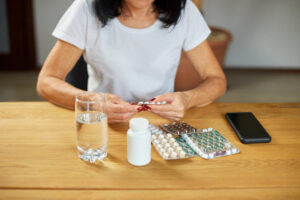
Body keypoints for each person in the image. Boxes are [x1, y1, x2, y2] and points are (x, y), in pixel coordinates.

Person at [37, 0, 226, 123]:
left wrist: (187, 99)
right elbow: (47, 81)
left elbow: (216, 79)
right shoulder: (86, 9)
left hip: (160, 123)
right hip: (103, 123)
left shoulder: (184, 10)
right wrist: (95, 103)